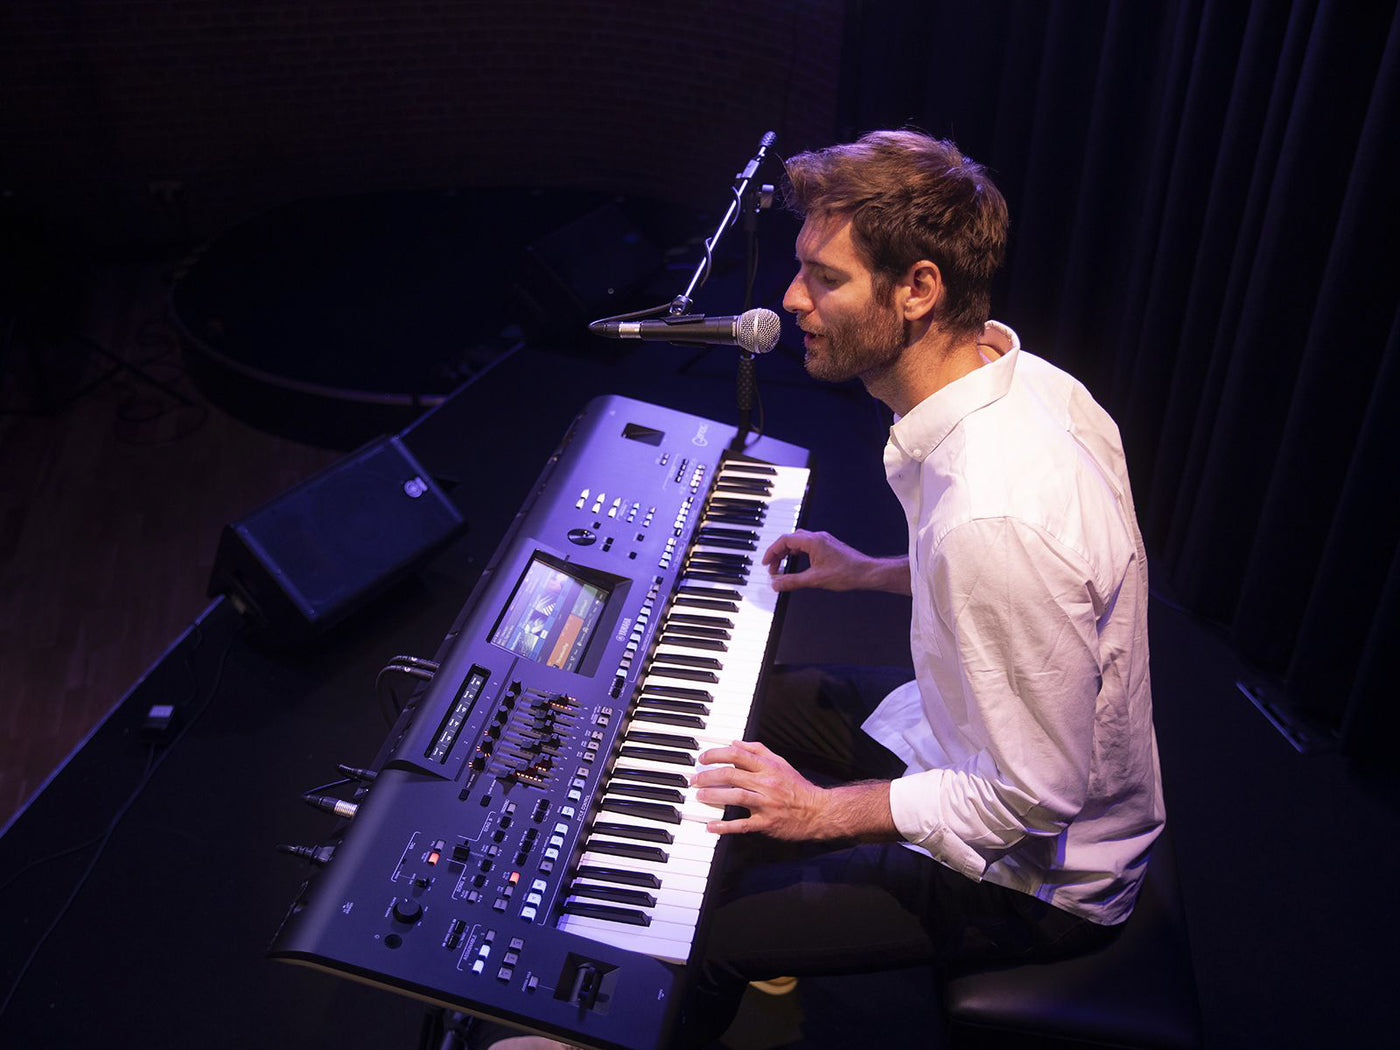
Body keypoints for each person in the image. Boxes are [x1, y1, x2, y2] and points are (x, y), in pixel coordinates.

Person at [473, 129, 1163, 1049]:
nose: (791, 301)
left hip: (1039, 878)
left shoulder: (994, 518)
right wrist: (873, 571)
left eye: (824, 279)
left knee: (711, 938)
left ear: (917, 289)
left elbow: (1034, 801)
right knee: (763, 710)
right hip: (969, 734)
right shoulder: (1021, 375)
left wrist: (821, 811)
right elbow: (1054, 594)